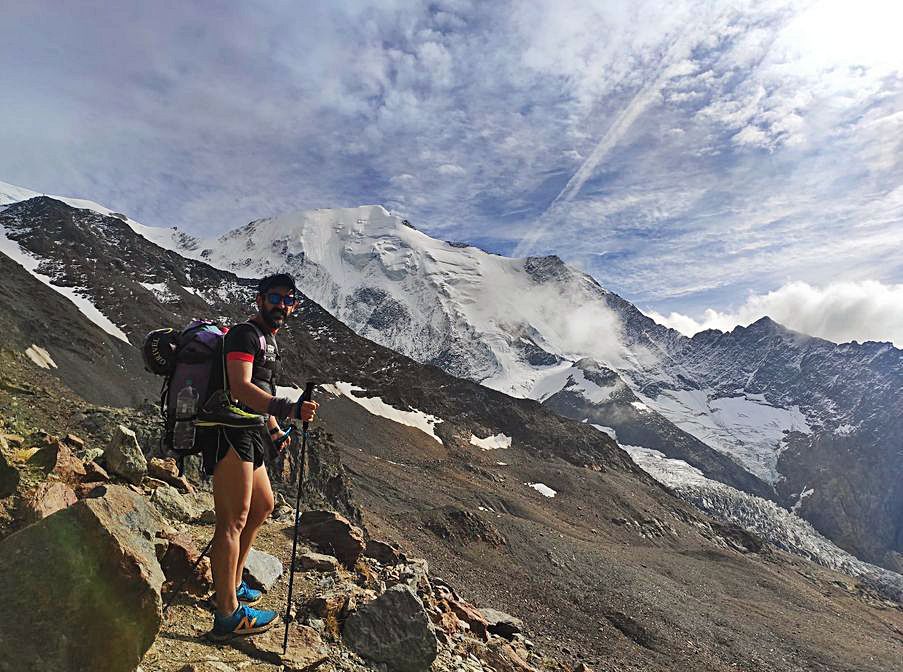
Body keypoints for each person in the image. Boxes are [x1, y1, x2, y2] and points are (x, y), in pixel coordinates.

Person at [201, 273, 318, 642]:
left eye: (288, 300)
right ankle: (226, 615)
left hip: (249, 431)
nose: (281, 305)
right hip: (228, 431)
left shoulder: (268, 340)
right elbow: (240, 387)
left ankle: (232, 584)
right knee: (232, 521)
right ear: (259, 300)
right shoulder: (245, 335)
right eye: (275, 298)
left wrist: (272, 429)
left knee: (263, 505)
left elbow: (260, 389)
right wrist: (288, 409)